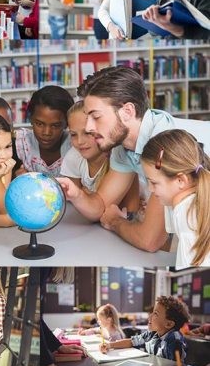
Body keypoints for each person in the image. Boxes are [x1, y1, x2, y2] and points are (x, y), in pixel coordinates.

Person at [59, 66, 176, 253]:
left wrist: (114, 221)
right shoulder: (123, 148)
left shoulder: (163, 146)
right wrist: (77, 194)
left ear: (127, 112)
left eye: (96, 117)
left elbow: (149, 240)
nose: (89, 127)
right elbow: (100, 206)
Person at [141, 130, 210, 267]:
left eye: (154, 183)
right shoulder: (194, 201)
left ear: (180, 180)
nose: (150, 189)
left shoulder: (186, 214)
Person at [102, 296, 190, 362]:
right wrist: (110, 345)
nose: (150, 316)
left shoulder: (174, 340)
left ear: (168, 324)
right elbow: (131, 341)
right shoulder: (152, 333)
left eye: (155, 314)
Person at [16, 85, 73, 176]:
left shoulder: (75, 145)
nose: (46, 133)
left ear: (67, 123)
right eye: (39, 124)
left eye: (55, 125)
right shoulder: (21, 144)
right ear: (31, 119)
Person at [59, 101, 109, 194]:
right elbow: (74, 200)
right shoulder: (73, 156)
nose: (80, 141)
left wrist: (86, 195)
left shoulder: (119, 156)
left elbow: (129, 207)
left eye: (87, 132)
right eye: (73, 134)